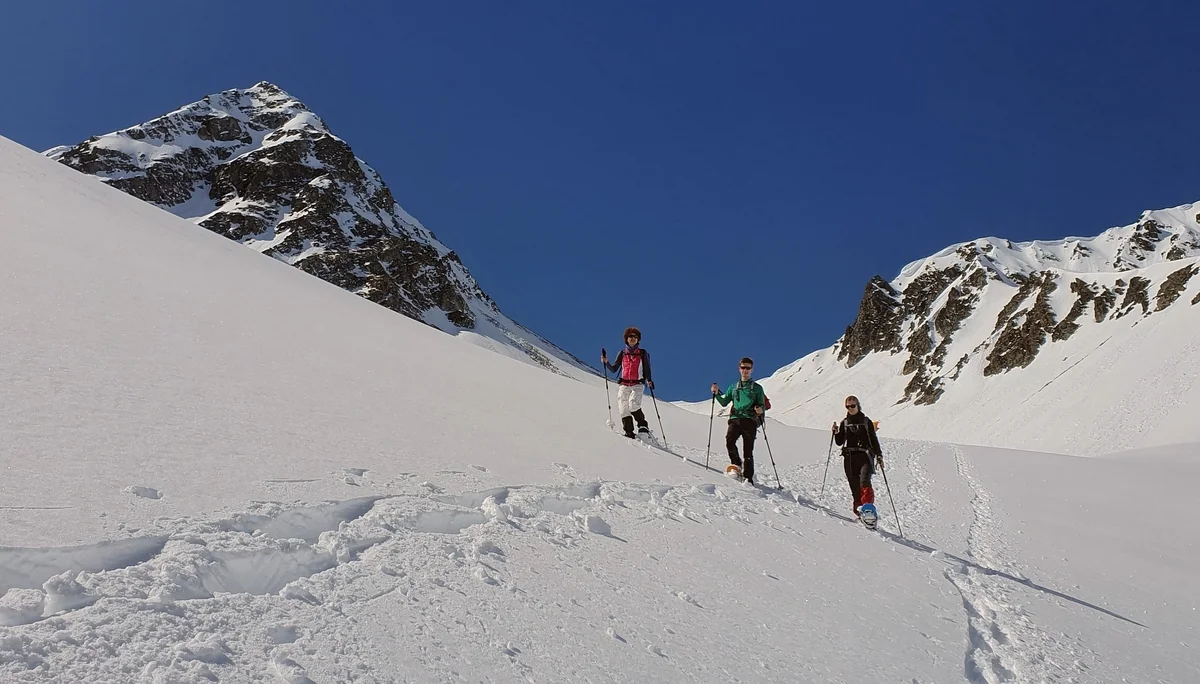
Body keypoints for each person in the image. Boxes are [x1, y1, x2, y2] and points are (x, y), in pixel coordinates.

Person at [711, 357, 767, 483]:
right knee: (729, 441)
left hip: (749, 420)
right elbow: (725, 402)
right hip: (736, 418)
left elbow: (762, 405)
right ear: (739, 369)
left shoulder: (757, 388)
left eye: (748, 368)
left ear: (752, 370)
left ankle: (748, 477)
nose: (745, 370)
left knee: (748, 450)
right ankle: (736, 464)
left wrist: (760, 410)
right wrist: (716, 394)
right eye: (743, 367)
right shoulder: (733, 387)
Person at [832, 395, 884, 520]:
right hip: (849, 458)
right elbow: (839, 442)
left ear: (858, 405)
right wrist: (835, 432)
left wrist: (879, 455)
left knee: (864, 481)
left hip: (865, 456)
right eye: (848, 406)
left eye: (852, 406)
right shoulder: (844, 423)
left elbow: (873, 439)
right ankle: (860, 511)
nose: (850, 408)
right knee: (854, 485)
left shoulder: (866, 421)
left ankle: (868, 510)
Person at [602, 327, 654, 438]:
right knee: (623, 408)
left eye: (635, 337)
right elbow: (614, 369)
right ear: (626, 339)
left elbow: (647, 368)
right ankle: (629, 431)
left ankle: (643, 426)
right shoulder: (622, 353)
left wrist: (649, 380)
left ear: (638, 339)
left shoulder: (642, 353)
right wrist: (606, 362)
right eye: (630, 336)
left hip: (637, 384)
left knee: (633, 404)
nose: (633, 339)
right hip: (624, 384)